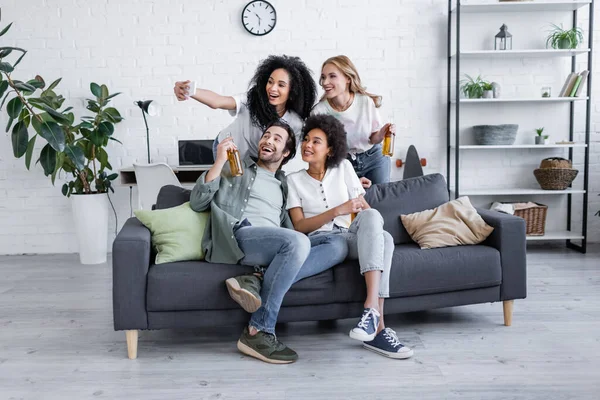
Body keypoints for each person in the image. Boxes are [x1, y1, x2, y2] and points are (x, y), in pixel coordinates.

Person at [189, 120, 347, 364]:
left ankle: (259, 278)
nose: (268, 141)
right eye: (266, 135)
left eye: (276, 139)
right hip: (238, 236)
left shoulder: (284, 184)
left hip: (273, 244)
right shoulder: (235, 168)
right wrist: (219, 160)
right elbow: (198, 202)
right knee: (297, 243)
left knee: (338, 246)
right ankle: (259, 330)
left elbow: (291, 228)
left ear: (285, 153)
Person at [286, 114, 413, 359]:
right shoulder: (293, 181)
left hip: (350, 236)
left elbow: (362, 207)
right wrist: (337, 210)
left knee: (378, 225)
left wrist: (367, 216)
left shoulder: (343, 167)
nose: (307, 145)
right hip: (322, 240)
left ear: (330, 149)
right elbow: (300, 226)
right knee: (384, 240)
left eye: (316, 141)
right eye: (306, 140)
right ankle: (378, 328)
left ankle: (370, 311)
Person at [174, 54, 317, 162]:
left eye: (281, 85)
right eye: (270, 82)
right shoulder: (251, 100)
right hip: (228, 150)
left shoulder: (296, 123)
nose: (272, 88)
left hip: (258, 159)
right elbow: (218, 101)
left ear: (293, 92)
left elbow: (286, 154)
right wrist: (190, 91)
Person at [311, 55, 395, 185]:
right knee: (352, 202)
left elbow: (373, 138)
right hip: (342, 163)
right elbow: (320, 150)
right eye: (323, 77)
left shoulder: (364, 102)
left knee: (381, 198)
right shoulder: (319, 112)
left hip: (374, 158)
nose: (325, 82)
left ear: (348, 79)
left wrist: (382, 134)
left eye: (332, 76)